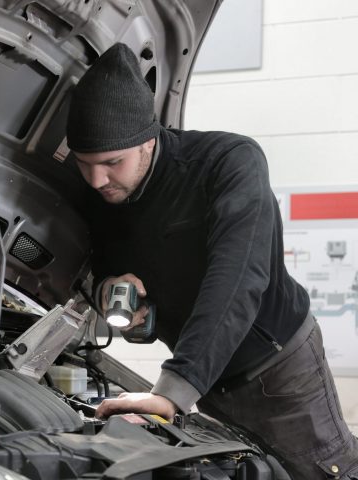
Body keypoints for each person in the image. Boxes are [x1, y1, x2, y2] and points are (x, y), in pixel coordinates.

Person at [66, 43, 358, 479]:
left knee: (323, 473)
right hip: (208, 379)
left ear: (148, 139)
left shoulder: (228, 164)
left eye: (111, 163)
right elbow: (98, 259)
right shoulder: (102, 191)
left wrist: (173, 389)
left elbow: (238, 279)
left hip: (279, 373)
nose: (96, 179)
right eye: (84, 163)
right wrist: (107, 286)